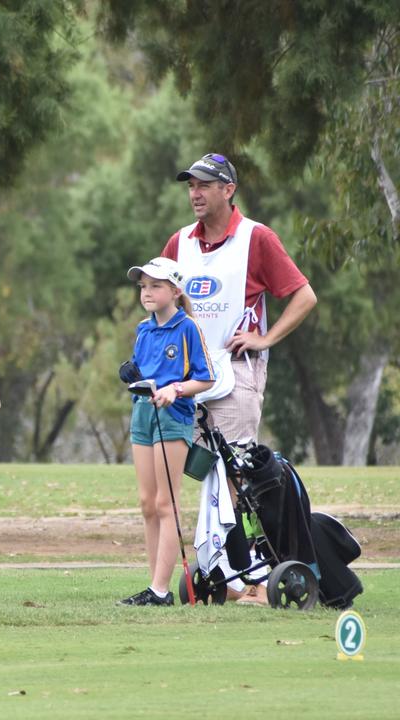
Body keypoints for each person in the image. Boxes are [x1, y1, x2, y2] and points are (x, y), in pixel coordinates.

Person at [162, 153, 316, 443]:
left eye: (204, 186)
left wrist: (266, 338)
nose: (195, 194)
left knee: (234, 473)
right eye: (191, 186)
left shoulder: (257, 237)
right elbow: (159, 301)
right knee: (177, 469)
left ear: (228, 189)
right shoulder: (179, 242)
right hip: (186, 374)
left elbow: (305, 296)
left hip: (236, 369)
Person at [120, 258, 215, 606]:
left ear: (175, 291)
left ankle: (161, 591)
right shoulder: (143, 329)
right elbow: (141, 371)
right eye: (144, 286)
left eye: (155, 286)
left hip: (173, 417)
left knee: (166, 502)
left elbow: (206, 377)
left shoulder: (187, 327)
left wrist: (175, 389)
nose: (147, 292)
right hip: (142, 415)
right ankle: (153, 586)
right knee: (147, 504)